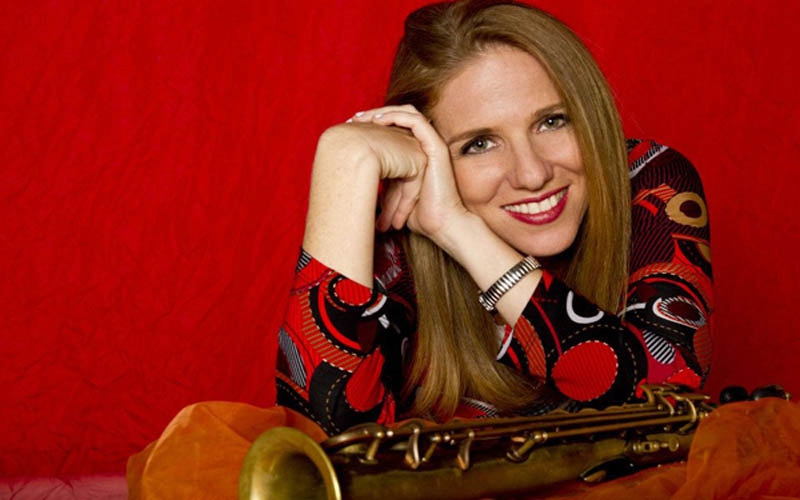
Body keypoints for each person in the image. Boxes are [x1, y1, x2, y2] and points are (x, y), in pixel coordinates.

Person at [275, 0, 712, 436]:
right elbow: (322, 445)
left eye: (552, 121)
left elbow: (668, 400)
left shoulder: (649, 183)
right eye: (479, 144)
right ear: (425, 150)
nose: (532, 174)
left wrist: (457, 229)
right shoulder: (397, 231)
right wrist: (344, 158)